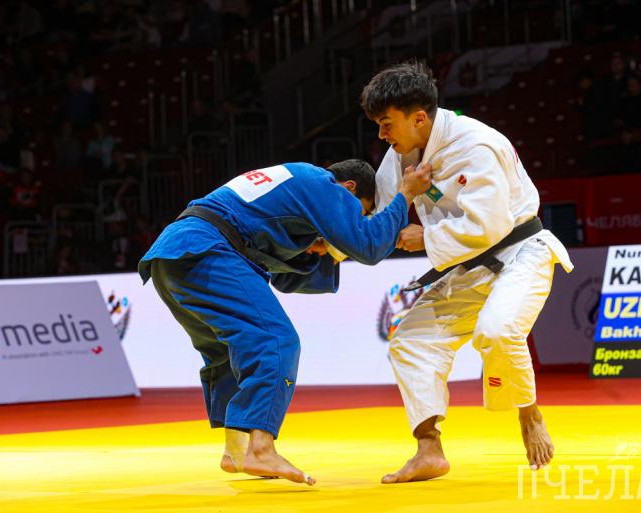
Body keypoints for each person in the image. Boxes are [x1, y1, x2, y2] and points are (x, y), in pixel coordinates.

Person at [138, 159, 432, 485]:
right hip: (209, 249)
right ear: (348, 189)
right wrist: (405, 194)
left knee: (228, 350)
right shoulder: (324, 185)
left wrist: (322, 248)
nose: (351, 220)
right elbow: (369, 245)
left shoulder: (293, 182)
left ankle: (237, 451)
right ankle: (261, 448)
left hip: (174, 255)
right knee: (276, 340)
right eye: (359, 212)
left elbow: (284, 278)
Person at [361, 62, 573, 483]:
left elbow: (488, 226)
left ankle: (528, 413)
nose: (382, 135)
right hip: (465, 266)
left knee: (496, 330)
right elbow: (386, 208)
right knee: (410, 342)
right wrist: (338, 239)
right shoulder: (401, 152)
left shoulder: (477, 145)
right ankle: (429, 449)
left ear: (418, 118)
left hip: (519, 253)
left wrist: (426, 238)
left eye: (386, 124)